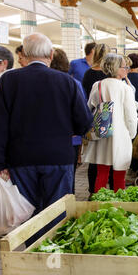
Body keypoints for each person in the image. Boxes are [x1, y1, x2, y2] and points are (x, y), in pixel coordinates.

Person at [0, 33, 92, 246]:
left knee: (28, 213)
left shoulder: (9, 80)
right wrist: (65, 130)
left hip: (20, 159)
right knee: (56, 211)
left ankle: (33, 253)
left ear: (25, 55)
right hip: (58, 157)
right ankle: (53, 254)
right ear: (51, 54)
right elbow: (84, 123)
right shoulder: (67, 82)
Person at [84, 53, 138, 193]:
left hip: (102, 132)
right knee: (119, 176)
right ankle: (118, 206)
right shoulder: (125, 88)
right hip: (120, 135)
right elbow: (131, 116)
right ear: (115, 68)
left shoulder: (98, 85)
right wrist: (131, 134)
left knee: (101, 174)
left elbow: (90, 106)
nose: (126, 69)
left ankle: (99, 205)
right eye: (124, 67)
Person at [50, 48, 87, 193]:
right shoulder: (73, 83)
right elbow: (81, 113)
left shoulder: (40, 83)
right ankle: (67, 203)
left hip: (47, 139)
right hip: (70, 139)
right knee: (67, 177)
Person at [82, 43, 112, 194]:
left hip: (93, 117)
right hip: (110, 117)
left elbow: (85, 97)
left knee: (94, 157)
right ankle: (111, 190)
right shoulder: (109, 74)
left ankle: (92, 191)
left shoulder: (88, 74)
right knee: (111, 157)